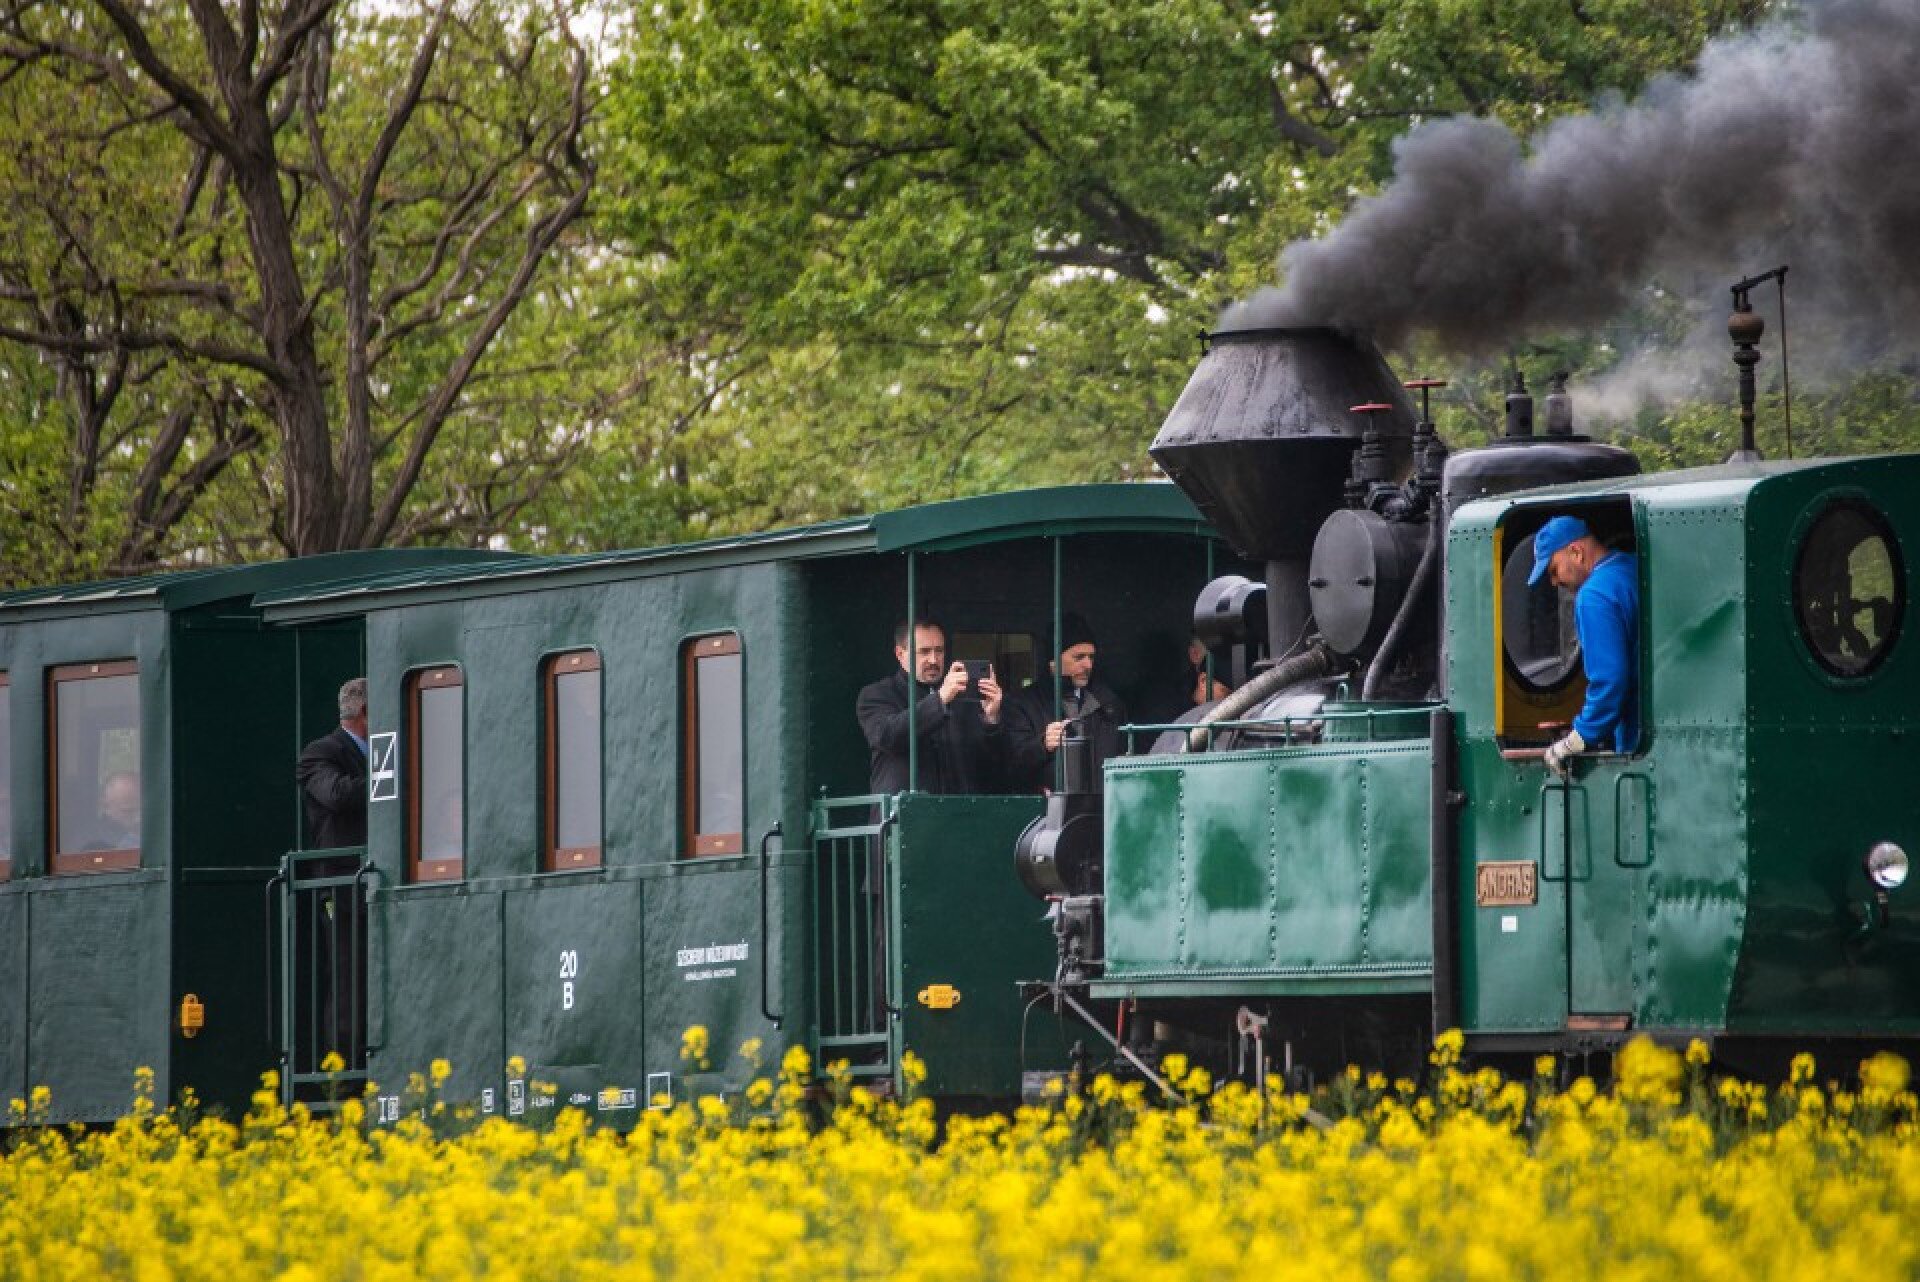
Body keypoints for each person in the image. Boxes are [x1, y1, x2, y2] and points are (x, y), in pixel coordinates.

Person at [1528, 516, 1641, 776]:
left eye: (1554, 570)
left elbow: (1610, 679)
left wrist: (1580, 736)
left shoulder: (1594, 596)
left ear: (1576, 552)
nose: (1554, 582)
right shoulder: (1633, 567)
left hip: (1636, 734)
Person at [856, 619, 1005, 795]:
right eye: (924, 651)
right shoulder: (877, 694)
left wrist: (991, 720)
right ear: (900, 654)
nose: (933, 660)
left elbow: (990, 763)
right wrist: (939, 699)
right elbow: (886, 736)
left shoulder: (964, 696)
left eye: (939, 650)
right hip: (905, 810)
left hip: (960, 807)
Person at [1005, 614, 1129, 793]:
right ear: (1053, 661)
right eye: (1079, 657)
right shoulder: (1022, 704)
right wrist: (1042, 745)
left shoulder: (1110, 704)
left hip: (1103, 805)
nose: (1088, 665)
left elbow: (1125, 760)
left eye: (1091, 657)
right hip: (1048, 808)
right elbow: (1010, 765)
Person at [297, 677, 370, 849]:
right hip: (348, 864)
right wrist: (392, 782)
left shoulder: (387, 749)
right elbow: (337, 794)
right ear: (365, 711)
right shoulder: (319, 752)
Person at [93, 770, 141, 850]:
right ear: (105, 804)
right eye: (128, 811)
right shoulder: (95, 842)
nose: (137, 818)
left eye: (140, 811)